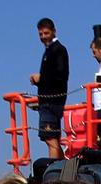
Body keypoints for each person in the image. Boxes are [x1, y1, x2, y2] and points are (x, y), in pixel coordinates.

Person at [31, 18, 69, 160]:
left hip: (52, 102)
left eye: (46, 33)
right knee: (51, 139)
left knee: (50, 138)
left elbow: (60, 75)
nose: (43, 37)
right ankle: (58, 168)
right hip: (49, 101)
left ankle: (54, 171)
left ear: (53, 31)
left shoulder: (58, 50)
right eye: (40, 34)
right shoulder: (50, 51)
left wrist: (41, 78)